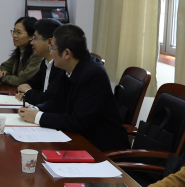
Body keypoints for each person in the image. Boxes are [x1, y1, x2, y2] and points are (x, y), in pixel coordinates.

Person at [17, 24, 127, 152]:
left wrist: (38, 117)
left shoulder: (93, 74)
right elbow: (56, 102)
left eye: (52, 48)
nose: (50, 52)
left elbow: (79, 122)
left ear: (66, 53)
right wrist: (35, 109)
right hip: (79, 140)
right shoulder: (69, 68)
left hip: (101, 148)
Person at [16, 18, 61, 105]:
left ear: (49, 42)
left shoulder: (60, 67)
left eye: (35, 38)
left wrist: (27, 92)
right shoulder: (45, 63)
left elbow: (46, 99)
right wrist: (24, 91)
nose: (31, 42)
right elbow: (30, 83)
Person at [0, 16, 42, 86]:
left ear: (31, 36)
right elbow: (2, 67)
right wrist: (3, 72)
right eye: (14, 31)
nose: (14, 35)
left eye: (19, 32)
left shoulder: (37, 55)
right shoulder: (20, 52)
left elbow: (22, 80)